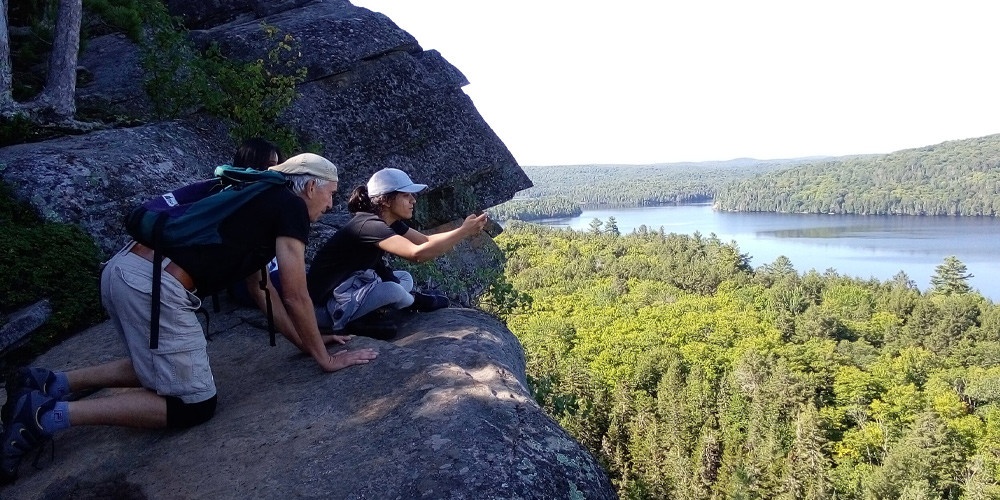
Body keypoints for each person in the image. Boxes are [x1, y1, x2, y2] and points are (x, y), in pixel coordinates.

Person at [0, 153, 378, 485]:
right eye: (330, 193)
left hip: (125, 270)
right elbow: (295, 294)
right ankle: (43, 415)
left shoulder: (253, 198)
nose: (331, 204)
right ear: (310, 187)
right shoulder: (290, 207)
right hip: (153, 286)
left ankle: (47, 382)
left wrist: (307, 343)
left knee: (161, 365)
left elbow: (262, 290)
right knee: (193, 404)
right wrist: (326, 360)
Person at [306, 168, 487, 337]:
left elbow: (425, 241)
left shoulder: (388, 222)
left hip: (349, 290)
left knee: (404, 278)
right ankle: (410, 302)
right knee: (393, 290)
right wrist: (463, 232)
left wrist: (462, 231)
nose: (413, 200)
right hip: (322, 309)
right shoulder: (368, 225)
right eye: (406, 195)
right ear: (385, 201)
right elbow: (417, 254)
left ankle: (366, 315)